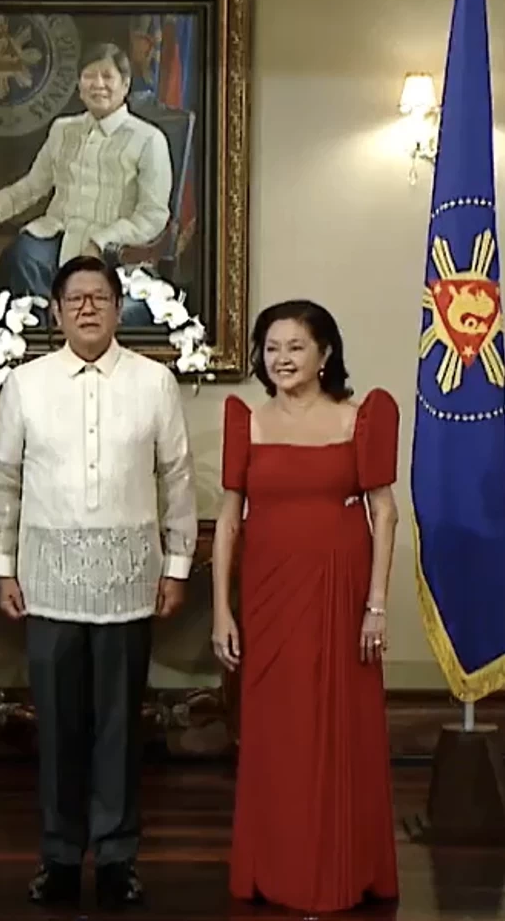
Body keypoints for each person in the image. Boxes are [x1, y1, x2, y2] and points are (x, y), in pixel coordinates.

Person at [0, 255, 197, 909]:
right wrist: (2, 567)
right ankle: (57, 856)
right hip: (48, 583)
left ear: (117, 308)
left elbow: (177, 478)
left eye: (99, 297)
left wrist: (177, 566)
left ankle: (115, 857)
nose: (87, 308)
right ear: (55, 311)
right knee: (57, 729)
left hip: (130, 583)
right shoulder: (25, 384)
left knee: (119, 729)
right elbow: (4, 480)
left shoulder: (155, 382)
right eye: (74, 299)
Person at [212, 300, 400, 912]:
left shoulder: (359, 418)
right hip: (268, 595)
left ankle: (343, 869)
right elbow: (229, 522)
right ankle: (276, 868)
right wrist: (221, 611)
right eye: (271, 347)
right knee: (278, 733)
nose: (282, 358)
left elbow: (385, 513)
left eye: (295, 346)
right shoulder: (247, 420)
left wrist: (376, 605)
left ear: (325, 353)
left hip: (342, 595)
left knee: (341, 728)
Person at [0, 42, 173, 309]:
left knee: (83, 284)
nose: (98, 84)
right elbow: (33, 185)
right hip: (56, 235)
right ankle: (38, 332)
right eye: (89, 76)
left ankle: (63, 330)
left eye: (107, 76)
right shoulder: (63, 129)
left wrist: (102, 242)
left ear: (125, 84)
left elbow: (153, 215)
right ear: (79, 86)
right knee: (20, 257)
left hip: (114, 250)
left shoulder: (149, 139)